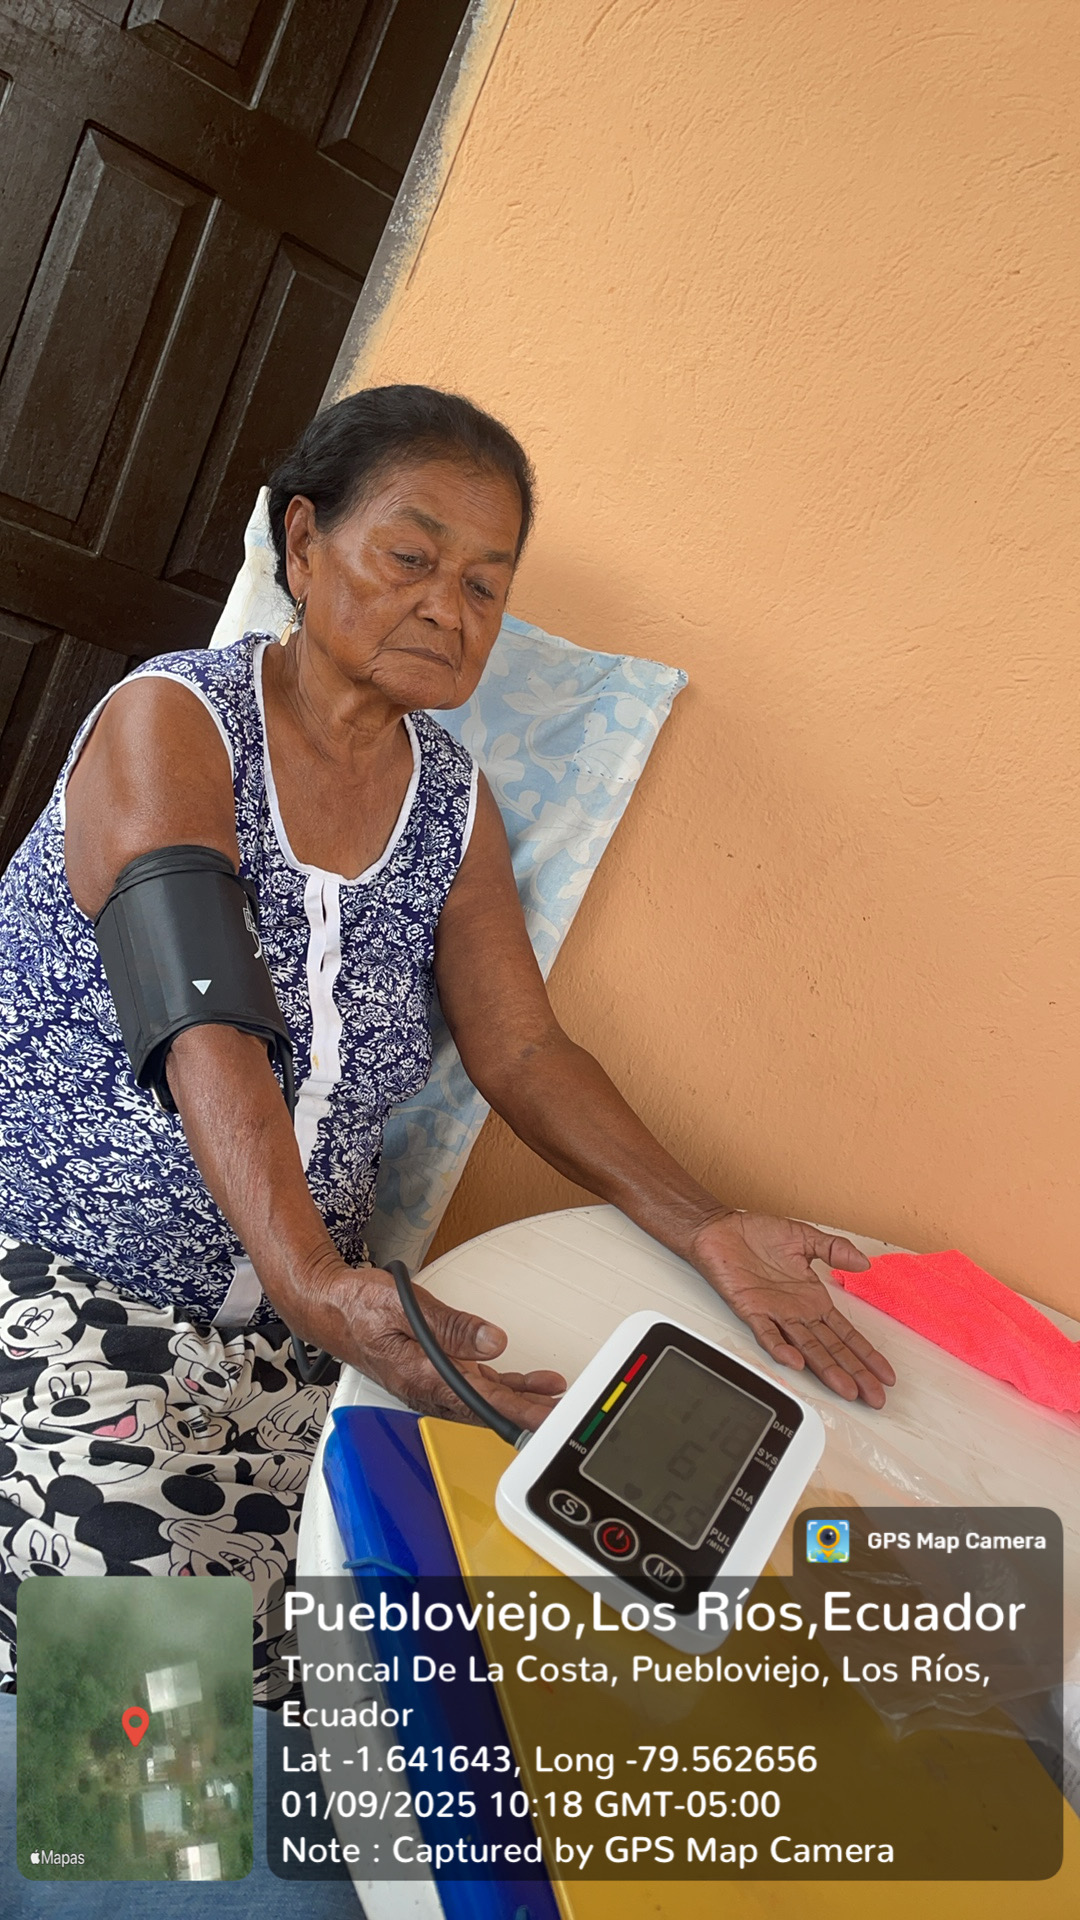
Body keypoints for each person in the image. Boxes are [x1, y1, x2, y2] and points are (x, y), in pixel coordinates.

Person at [0, 384, 893, 1697]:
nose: (449, 607)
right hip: (80, 1300)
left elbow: (523, 1051)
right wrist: (312, 1280)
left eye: (486, 583)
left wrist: (703, 1225)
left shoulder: (450, 807)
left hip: (300, 1332)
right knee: (136, 1745)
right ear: (304, 543)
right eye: (411, 557)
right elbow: (200, 1013)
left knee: (334, 1682)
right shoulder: (170, 723)